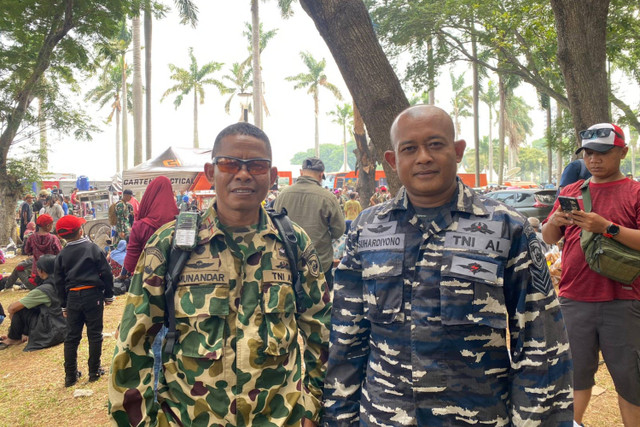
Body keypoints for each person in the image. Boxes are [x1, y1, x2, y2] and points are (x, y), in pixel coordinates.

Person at [323, 105, 573, 425]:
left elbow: (542, 346)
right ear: (392, 160)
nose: (423, 157)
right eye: (409, 148)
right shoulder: (366, 230)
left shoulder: (507, 228)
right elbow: (346, 341)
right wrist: (339, 419)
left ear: (457, 151)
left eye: (436, 144)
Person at [109, 122, 331, 426]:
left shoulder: (294, 244)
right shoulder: (170, 245)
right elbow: (132, 345)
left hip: (281, 418)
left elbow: (323, 332)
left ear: (272, 175)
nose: (243, 174)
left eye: (256, 165)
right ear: (211, 172)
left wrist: (313, 405)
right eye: (229, 164)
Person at [542, 122, 640, 427]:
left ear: (622, 152)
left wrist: (606, 228)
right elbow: (547, 237)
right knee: (575, 376)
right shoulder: (572, 191)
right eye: (588, 153)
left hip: (623, 300)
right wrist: (557, 221)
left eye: (602, 152)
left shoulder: (635, 191)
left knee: (630, 381)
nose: (594, 159)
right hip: (574, 299)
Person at [54, 215, 114, 387]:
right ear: (81, 231)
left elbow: (59, 282)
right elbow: (106, 272)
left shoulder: (62, 255)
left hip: (72, 297)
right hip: (92, 295)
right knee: (94, 334)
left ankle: (70, 376)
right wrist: (108, 295)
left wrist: (63, 305)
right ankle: (94, 371)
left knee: (72, 336)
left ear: (61, 236)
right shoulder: (93, 248)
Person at [274, 157, 345, 290]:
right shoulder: (328, 197)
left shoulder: (283, 195)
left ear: (301, 172)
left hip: (287, 264)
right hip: (319, 264)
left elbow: (274, 226)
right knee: (321, 308)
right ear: (321, 175)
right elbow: (339, 230)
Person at [0, 255, 67, 351]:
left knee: (21, 310)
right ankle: (22, 334)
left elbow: (12, 308)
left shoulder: (44, 290)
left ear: (41, 271)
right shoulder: (64, 282)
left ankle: (13, 338)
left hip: (53, 330)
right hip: (65, 326)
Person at [123, 175, 179, 277]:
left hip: (146, 285)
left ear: (149, 196)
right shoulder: (180, 224)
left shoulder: (141, 226)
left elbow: (130, 264)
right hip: (175, 284)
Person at [23, 214, 62, 286]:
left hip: (37, 271)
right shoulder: (53, 238)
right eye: (51, 225)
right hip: (52, 270)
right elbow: (60, 253)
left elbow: (27, 251)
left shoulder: (31, 237)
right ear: (48, 226)